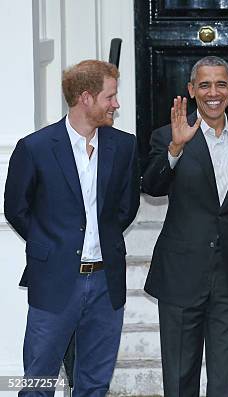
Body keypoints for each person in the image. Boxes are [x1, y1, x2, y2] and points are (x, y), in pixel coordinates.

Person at [4, 60, 140, 396]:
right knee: (38, 381)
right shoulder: (35, 147)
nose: (116, 104)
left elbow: (126, 207)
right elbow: (16, 209)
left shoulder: (123, 146)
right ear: (86, 98)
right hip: (54, 280)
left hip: (106, 283)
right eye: (110, 97)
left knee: (94, 383)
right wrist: (50, 245)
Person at [141, 56, 228, 397]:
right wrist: (176, 147)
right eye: (204, 85)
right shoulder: (167, 135)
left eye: (220, 84)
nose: (213, 92)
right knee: (180, 377)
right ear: (191, 90)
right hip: (181, 274)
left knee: (227, 379)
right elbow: (152, 185)